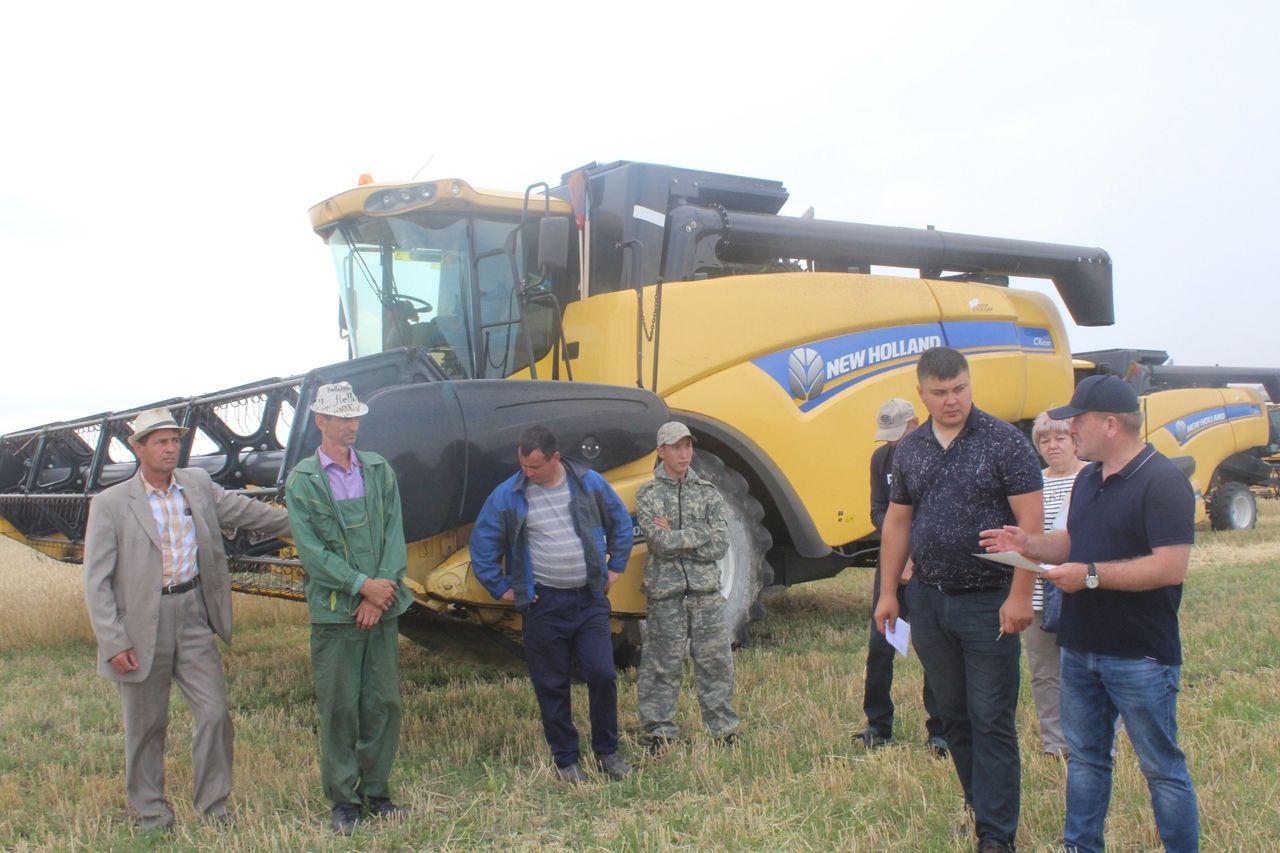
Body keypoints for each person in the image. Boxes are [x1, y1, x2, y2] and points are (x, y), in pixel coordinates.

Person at [980, 375, 1199, 853]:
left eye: (1076, 419)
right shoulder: (1087, 479)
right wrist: (1030, 545)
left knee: (1161, 768)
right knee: (1086, 761)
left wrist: (1091, 576)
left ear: (1110, 424)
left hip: (1139, 654)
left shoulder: (1163, 482)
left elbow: (1170, 566)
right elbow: (1072, 542)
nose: (1069, 427)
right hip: (1079, 648)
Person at [83, 407, 291, 832]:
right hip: (142, 624)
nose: (170, 448)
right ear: (138, 448)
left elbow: (246, 512)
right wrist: (113, 640)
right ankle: (151, 814)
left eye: (175, 440)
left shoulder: (196, 484)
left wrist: (302, 520)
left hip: (194, 613)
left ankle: (213, 809)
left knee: (215, 712)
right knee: (146, 727)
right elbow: (96, 582)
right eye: (159, 441)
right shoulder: (110, 504)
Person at [873, 347, 1043, 853]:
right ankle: (977, 804)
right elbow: (898, 522)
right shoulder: (912, 449)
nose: (953, 401)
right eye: (942, 392)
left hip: (989, 601)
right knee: (954, 715)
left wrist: (1020, 596)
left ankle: (996, 837)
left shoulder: (1004, 442)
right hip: (928, 599)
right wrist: (888, 594)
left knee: (992, 717)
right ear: (921, 392)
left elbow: (1030, 528)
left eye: (961, 389)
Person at [469, 425, 635, 783]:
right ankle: (566, 760)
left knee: (602, 674)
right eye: (523, 465)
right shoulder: (507, 495)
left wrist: (616, 567)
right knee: (551, 684)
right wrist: (501, 589)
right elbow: (482, 544)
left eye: (535, 467)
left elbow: (621, 522)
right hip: (544, 605)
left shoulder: (589, 483)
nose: (527, 473)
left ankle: (607, 752)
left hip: (590, 600)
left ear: (555, 458)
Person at [284, 382, 413, 834]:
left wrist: (380, 595)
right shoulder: (302, 482)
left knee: (383, 705)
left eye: (355, 417)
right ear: (321, 421)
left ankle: (378, 793)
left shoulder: (378, 471)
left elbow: (394, 537)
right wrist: (362, 587)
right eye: (342, 418)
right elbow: (313, 554)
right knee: (340, 709)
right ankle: (344, 801)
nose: (351, 425)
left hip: (380, 608)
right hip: (336, 613)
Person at [635, 421, 738, 751]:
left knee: (716, 662)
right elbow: (659, 542)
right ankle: (660, 731)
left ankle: (723, 730)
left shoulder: (708, 493)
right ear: (661, 451)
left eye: (688, 446)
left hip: (705, 592)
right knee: (661, 664)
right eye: (676, 447)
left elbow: (719, 545)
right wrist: (698, 533)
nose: (684, 453)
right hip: (666, 594)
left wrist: (677, 535)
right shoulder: (648, 494)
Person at [859, 398, 947, 756]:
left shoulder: (938, 456)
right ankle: (878, 724)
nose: (892, 443)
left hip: (929, 564)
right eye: (887, 437)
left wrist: (917, 549)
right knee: (880, 647)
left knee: (932, 648)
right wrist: (898, 538)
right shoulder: (881, 460)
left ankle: (940, 729)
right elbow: (878, 510)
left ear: (915, 423)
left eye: (897, 435)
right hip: (892, 563)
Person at [1025, 412, 1086, 758]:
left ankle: (1098, 738)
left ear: (1075, 440)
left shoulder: (1091, 476)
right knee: (1044, 672)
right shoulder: (1033, 483)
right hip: (1038, 594)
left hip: (1079, 589)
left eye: (1059, 438)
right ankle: (1056, 743)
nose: (1052, 446)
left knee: (1086, 670)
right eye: (1045, 440)